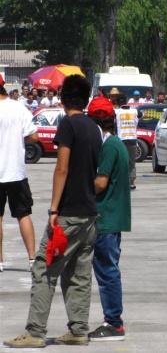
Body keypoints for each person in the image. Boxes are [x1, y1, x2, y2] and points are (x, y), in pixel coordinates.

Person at [4, 75, 101, 348]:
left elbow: (62, 168)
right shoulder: (93, 128)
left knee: (44, 270)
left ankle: (35, 331)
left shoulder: (69, 125)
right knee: (79, 275)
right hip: (89, 213)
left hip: (68, 213)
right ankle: (79, 328)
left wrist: (54, 208)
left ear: (62, 99)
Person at [86, 97, 131, 342]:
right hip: (111, 217)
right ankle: (112, 320)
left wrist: (80, 192)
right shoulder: (117, 144)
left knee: (107, 272)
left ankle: (114, 322)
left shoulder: (110, 146)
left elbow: (101, 183)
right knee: (108, 270)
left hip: (106, 218)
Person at [0, 74, 37, 273]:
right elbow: (33, 136)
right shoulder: (18, 107)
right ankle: (32, 259)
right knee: (23, 214)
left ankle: (0, 261)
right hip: (16, 171)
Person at [114, 95, 139, 190]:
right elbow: (142, 115)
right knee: (132, 162)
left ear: (118, 103)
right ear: (126, 101)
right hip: (132, 139)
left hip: (121, 139)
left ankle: (121, 181)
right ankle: (132, 182)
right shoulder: (135, 111)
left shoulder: (116, 112)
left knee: (121, 161)